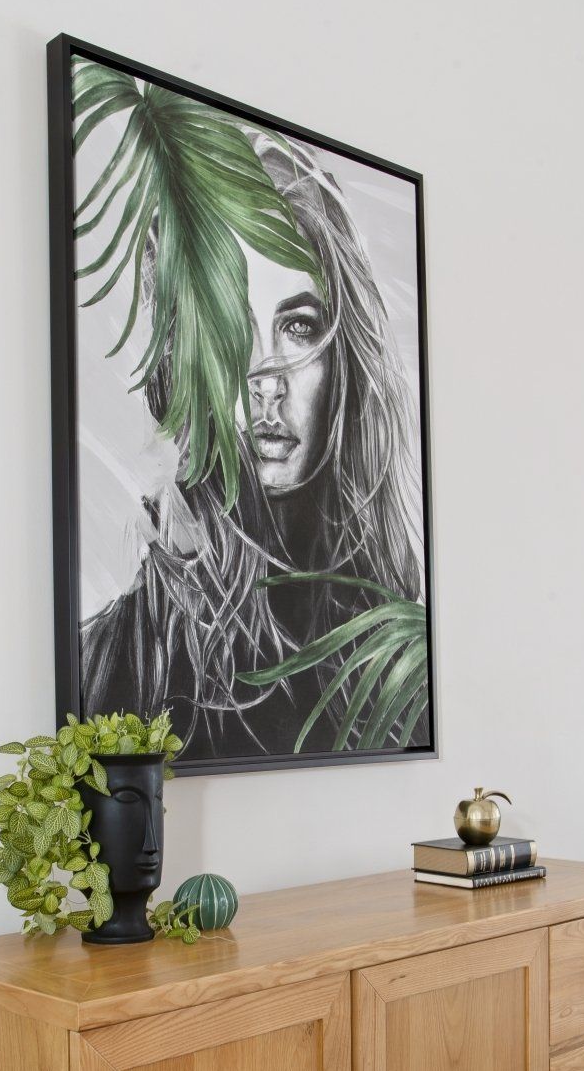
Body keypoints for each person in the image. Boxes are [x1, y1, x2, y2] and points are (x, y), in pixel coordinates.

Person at [81, 134, 426, 761]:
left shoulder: (405, 664)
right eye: (232, 329)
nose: (267, 379)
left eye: (298, 328)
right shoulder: (106, 666)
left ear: (343, 355)